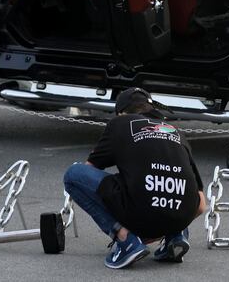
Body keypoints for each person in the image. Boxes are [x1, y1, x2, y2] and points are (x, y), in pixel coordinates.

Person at [63, 88, 207, 269]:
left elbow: (88, 171)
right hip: (181, 215)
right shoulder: (176, 131)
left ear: (121, 112)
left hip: (142, 212)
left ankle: (125, 239)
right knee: (170, 186)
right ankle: (175, 236)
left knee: (73, 175)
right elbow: (201, 205)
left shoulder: (120, 123)